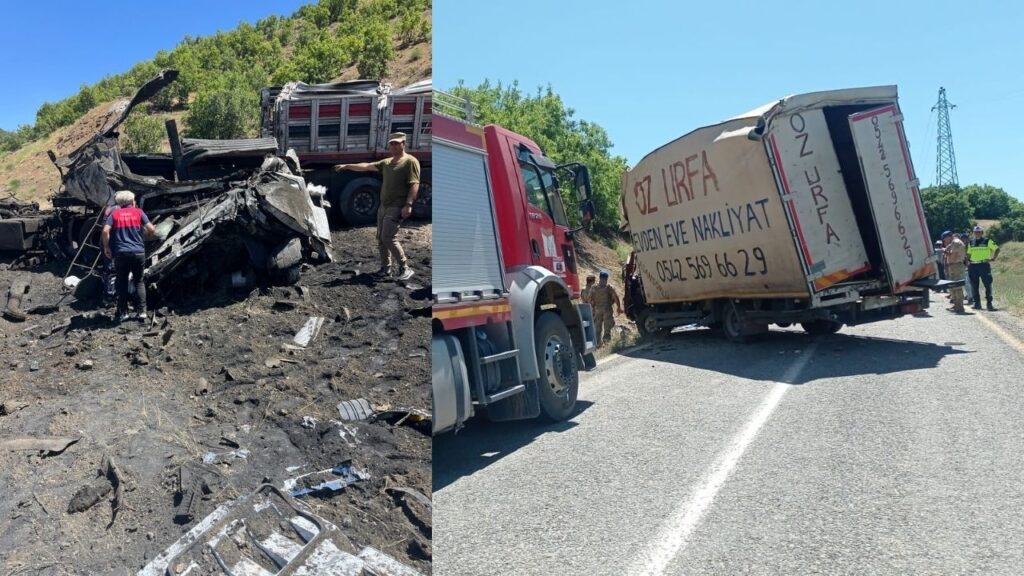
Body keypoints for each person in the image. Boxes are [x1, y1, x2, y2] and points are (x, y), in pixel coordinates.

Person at [333, 132, 420, 281]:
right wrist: (347, 166)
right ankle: (386, 269)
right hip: (383, 206)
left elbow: (414, 184)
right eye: (391, 143)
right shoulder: (386, 163)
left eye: (396, 143)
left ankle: (405, 268)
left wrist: (408, 204)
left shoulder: (410, 162)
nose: (393, 146)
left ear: (404, 144)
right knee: (381, 238)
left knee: (388, 237)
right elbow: (366, 166)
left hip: (397, 206)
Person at [102, 190, 155, 322]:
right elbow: (152, 229)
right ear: (132, 201)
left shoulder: (114, 214)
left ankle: (123, 312)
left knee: (122, 282)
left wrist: (107, 247)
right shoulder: (139, 212)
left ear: (120, 202)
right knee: (139, 281)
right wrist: (147, 237)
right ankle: (142, 311)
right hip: (138, 252)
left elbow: (105, 231)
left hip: (121, 253)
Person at [966, 224, 999, 310]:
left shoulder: (987, 241)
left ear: (982, 233)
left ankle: (989, 304)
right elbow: (969, 254)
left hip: (984, 265)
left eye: (979, 232)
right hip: (973, 266)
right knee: (974, 285)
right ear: (973, 233)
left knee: (988, 285)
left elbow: (997, 249)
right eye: (975, 232)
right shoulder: (971, 242)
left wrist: (993, 258)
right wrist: (968, 262)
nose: (977, 233)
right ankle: (977, 304)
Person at [588, 270, 623, 347]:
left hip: (597, 309)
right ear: (606, 278)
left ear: (599, 277)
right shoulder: (609, 287)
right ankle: (607, 344)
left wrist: (592, 307)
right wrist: (619, 307)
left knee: (597, 328)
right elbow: (615, 297)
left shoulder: (594, 287)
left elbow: (590, 299)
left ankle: (598, 344)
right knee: (607, 328)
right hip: (607, 309)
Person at [941, 230, 969, 314]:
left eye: (944, 239)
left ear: (948, 237)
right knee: (953, 286)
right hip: (954, 266)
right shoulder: (953, 243)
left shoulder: (956, 242)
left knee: (957, 286)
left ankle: (960, 306)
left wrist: (944, 251)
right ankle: (956, 305)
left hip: (956, 265)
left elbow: (952, 255)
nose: (944, 241)